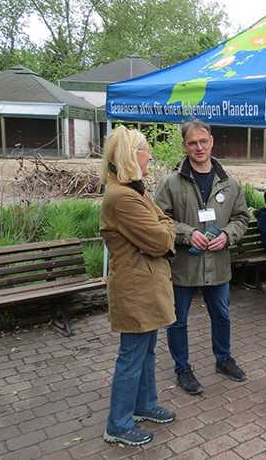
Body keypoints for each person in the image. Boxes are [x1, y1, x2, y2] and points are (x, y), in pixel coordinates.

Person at [155, 120, 250, 395]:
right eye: (193, 143)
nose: (199, 147)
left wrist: (228, 235)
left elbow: (241, 217)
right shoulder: (171, 183)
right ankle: (182, 368)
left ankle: (223, 360)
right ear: (185, 146)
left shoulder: (230, 184)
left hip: (218, 265)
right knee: (178, 320)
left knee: (221, 314)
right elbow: (159, 220)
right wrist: (185, 233)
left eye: (203, 141)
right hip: (184, 266)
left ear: (211, 141)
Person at [100, 126, 177, 447]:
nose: (151, 156)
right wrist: (164, 229)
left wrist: (164, 227)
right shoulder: (122, 197)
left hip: (145, 286)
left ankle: (144, 404)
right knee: (132, 355)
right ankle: (118, 423)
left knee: (145, 352)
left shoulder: (135, 191)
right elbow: (161, 238)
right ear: (133, 155)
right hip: (135, 289)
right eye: (147, 150)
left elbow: (165, 223)